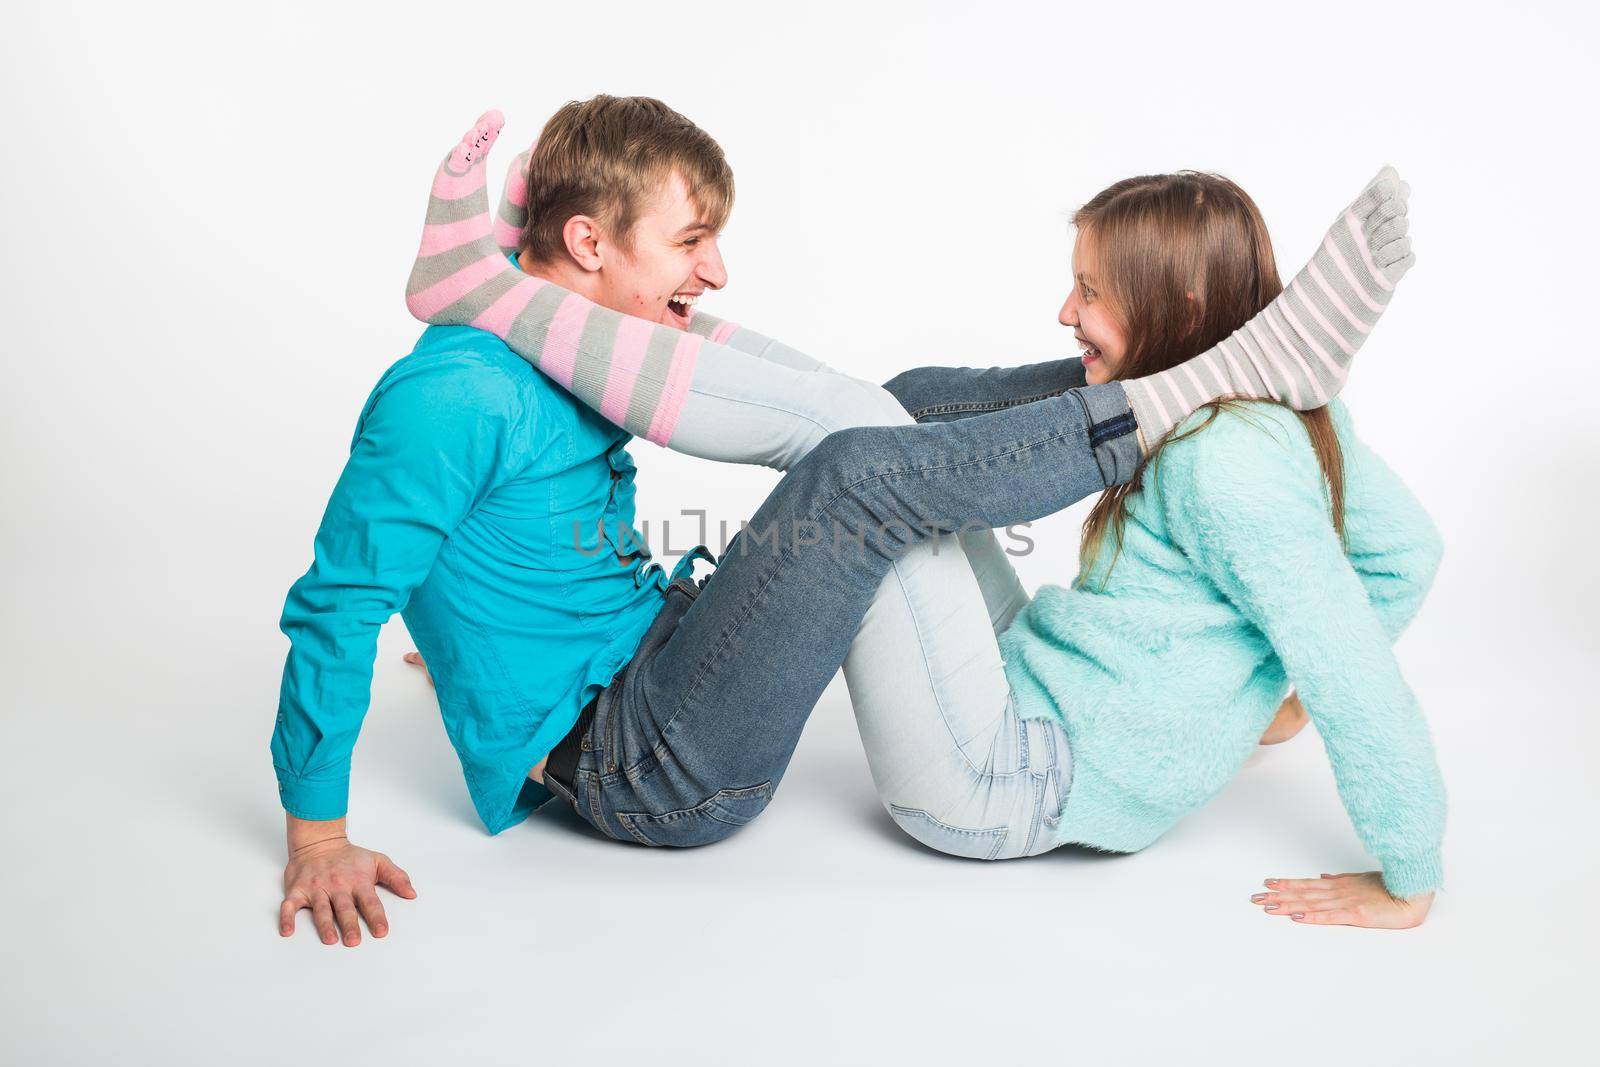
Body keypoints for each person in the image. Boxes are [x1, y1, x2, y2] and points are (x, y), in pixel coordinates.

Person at [272, 97, 1412, 945]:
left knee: (901, 408)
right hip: (648, 770)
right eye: (689, 241)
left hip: (657, 652)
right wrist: (317, 834)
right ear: (586, 246)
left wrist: (481, 640)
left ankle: (1188, 373)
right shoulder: (450, 397)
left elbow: (498, 542)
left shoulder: (563, 354)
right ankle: (1171, 394)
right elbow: (337, 600)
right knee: (869, 473)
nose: (715, 269)